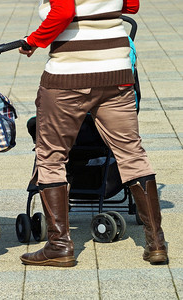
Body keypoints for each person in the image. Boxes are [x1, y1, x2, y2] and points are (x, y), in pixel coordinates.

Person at [18, 0, 168, 267]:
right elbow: (131, 6)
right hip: (116, 73)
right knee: (132, 154)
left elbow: (63, 12)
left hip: (68, 77)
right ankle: (156, 244)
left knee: (51, 157)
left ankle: (59, 245)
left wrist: (33, 41)